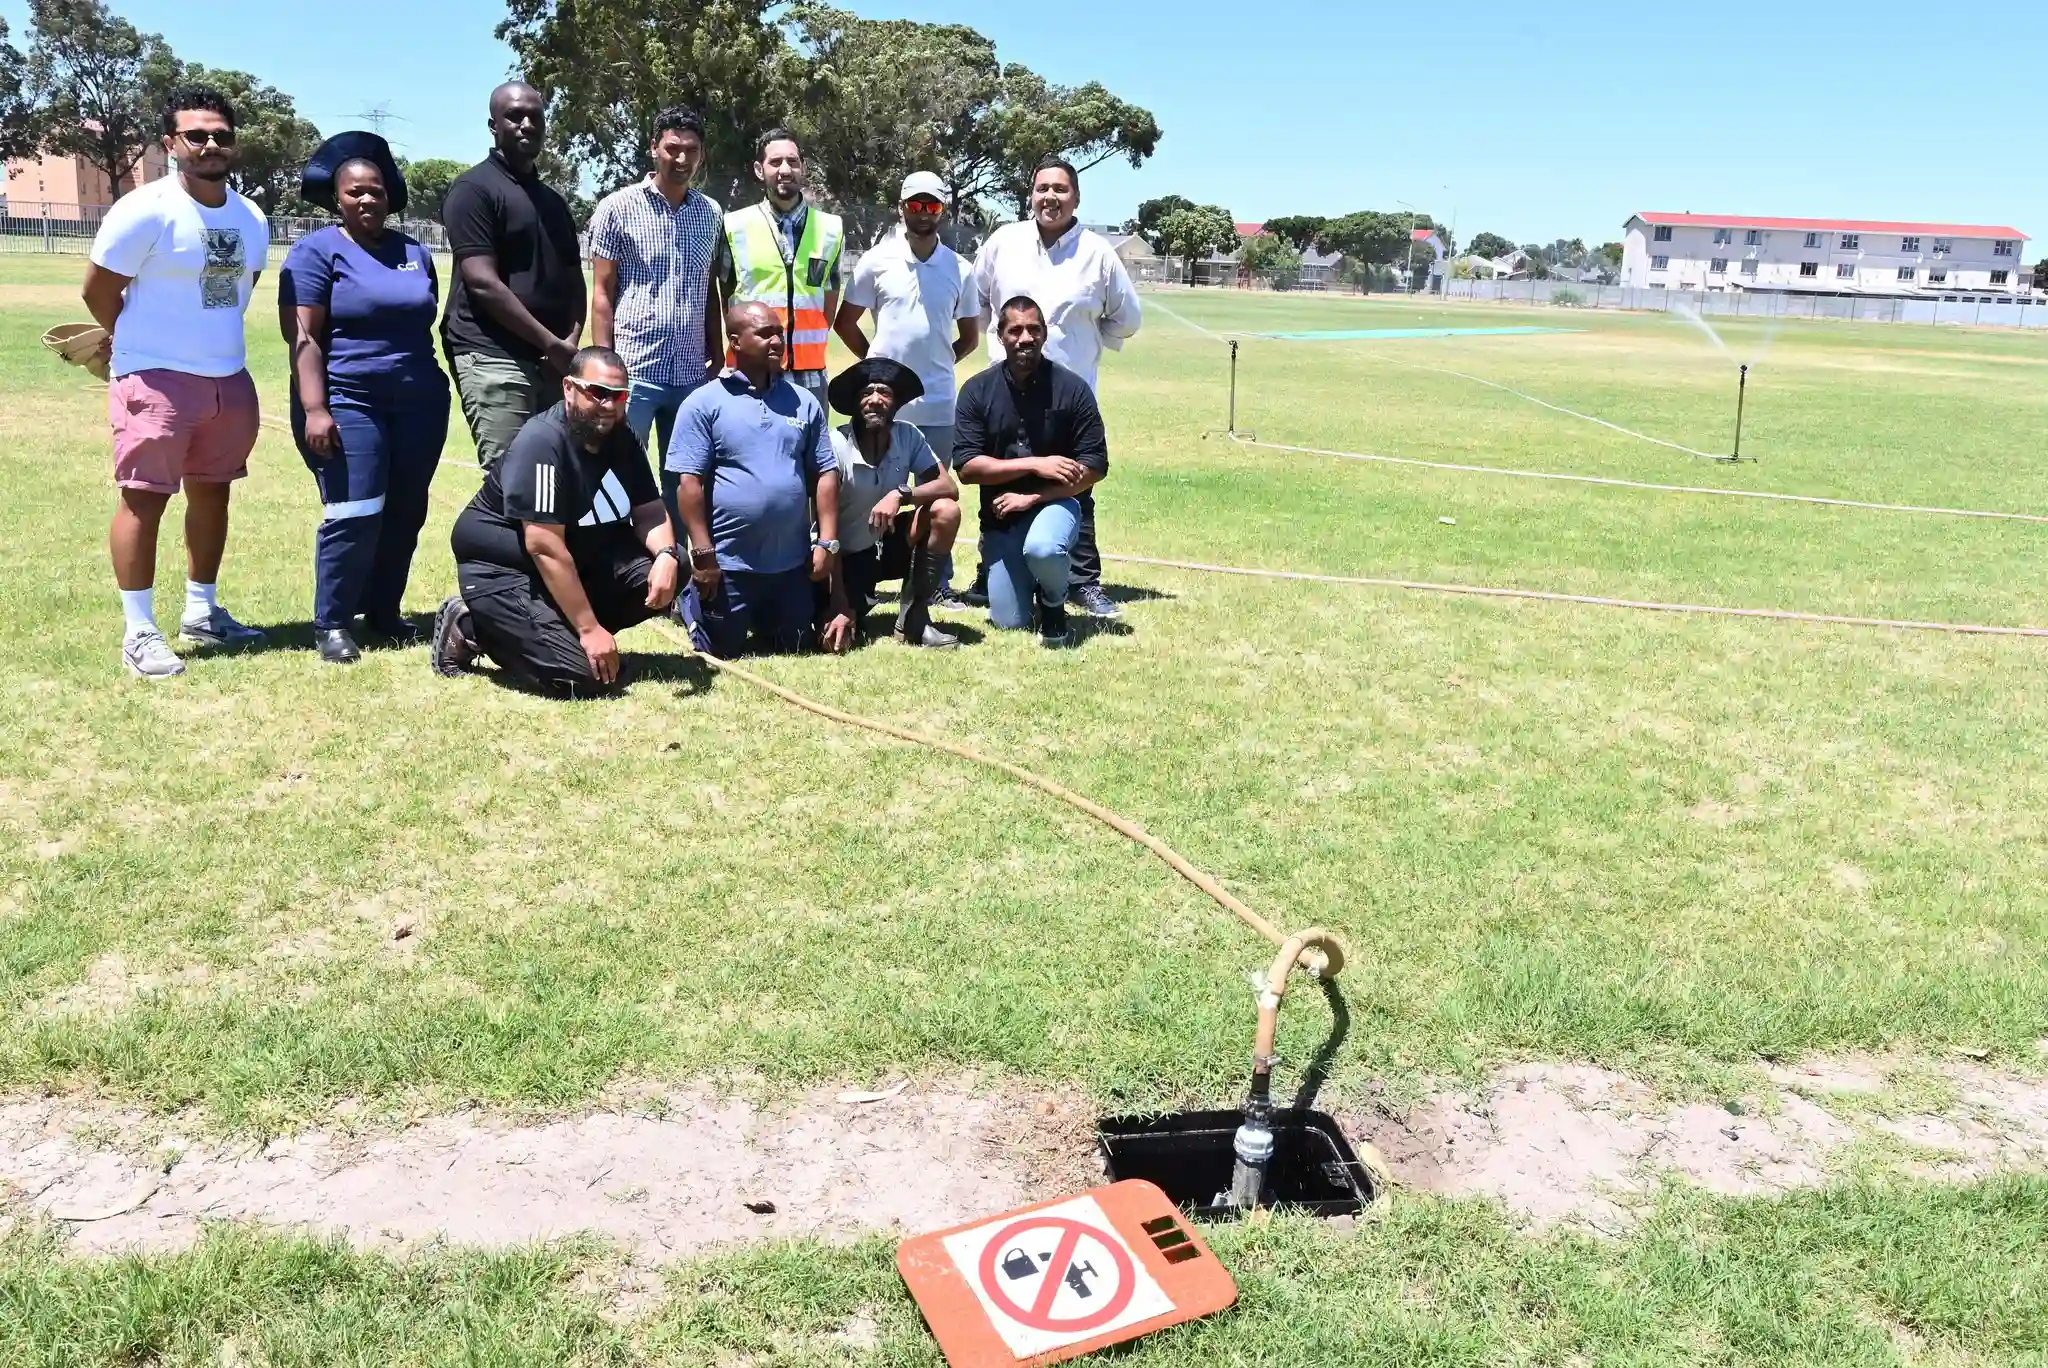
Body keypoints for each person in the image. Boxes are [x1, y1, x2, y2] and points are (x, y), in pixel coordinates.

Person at [81, 84, 270, 678]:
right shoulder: (145, 208)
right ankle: (139, 630)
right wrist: (139, 347)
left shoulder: (251, 217)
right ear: (171, 143)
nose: (210, 144)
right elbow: (98, 290)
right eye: (196, 135)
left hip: (227, 379)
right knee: (145, 500)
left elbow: (239, 294)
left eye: (221, 135)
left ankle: (202, 611)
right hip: (156, 380)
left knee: (214, 493)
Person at [279, 133, 450, 664]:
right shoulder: (315, 253)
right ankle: (332, 621)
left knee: (406, 509)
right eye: (355, 192)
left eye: (375, 190)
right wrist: (315, 408)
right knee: (355, 508)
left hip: (419, 401)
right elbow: (303, 338)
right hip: (349, 399)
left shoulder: (413, 253)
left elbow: (425, 318)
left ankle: (383, 610)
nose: (367, 200)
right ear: (337, 199)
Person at [433, 348, 678, 696]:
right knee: (582, 679)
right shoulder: (543, 441)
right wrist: (590, 629)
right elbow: (543, 545)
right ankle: (473, 627)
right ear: (568, 387)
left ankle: (559, 628)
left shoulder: (622, 437)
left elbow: (649, 510)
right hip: (504, 567)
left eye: (619, 395)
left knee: (674, 564)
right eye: (598, 392)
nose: (609, 405)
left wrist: (667, 554)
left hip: (573, 556)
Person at [970, 157, 1141, 620]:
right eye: (1042, 188)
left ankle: (1083, 581)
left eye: (1061, 189)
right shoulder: (1004, 242)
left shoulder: (1098, 253)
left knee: (1073, 482)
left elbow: (1127, 319)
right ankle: (990, 573)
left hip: (1068, 391)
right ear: (1030, 194)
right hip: (1006, 388)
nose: (1051, 197)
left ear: (1077, 198)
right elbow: (979, 301)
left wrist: (1082, 344)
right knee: (1001, 478)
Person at [831, 171, 980, 608]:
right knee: (872, 493)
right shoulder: (876, 261)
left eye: (931, 206)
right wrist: (876, 366)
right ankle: (867, 577)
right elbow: (845, 323)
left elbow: (969, 337)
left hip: (935, 404)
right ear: (901, 208)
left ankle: (936, 583)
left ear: (943, 211)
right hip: (883, 406)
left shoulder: (961, 269)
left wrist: (935, 365)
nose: (923, 214)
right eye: (915, 205)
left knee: (934, 494)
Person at [668, 302, 841, 658]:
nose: (777, 340)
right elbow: (689, 484)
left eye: (778, 332)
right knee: (721, 650)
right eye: (765, 333)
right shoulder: (703, 403)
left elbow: (825, 472)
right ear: (735, 341)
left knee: (794, 645)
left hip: (790, 564)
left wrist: (826, 543)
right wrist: (703, 555)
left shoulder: (804, 402)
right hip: (729, 565)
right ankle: (692, 601)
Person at [440, 81, 585, 467]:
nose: (525, 124)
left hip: (552, 363)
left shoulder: (553, 202)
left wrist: (566, 344)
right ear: (493, 126)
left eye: (534, 116)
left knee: (552, 479)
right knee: (511, 480)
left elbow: (575, 280)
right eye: (514, 116)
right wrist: (551, 344)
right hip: (493, 356)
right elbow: (483, 283)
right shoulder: (473, 190)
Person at [953, 297, 1108, 649]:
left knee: (1043, 549)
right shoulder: (977, 391)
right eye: (1015, 330)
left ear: (1045, 334)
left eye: (1034, 329)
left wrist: (1033, 497)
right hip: (1002, 518)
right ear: (1000, 336)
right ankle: (1032, 583)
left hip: (1056, 505)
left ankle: (1054, 603)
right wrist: (1035, 464)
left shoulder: (1072, 388)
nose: (1026, 337)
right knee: (1010, 621)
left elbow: (1095, 466)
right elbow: (966, 467)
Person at [588, 106, 723, 472]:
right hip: (635, 371)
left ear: (701, 155)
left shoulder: (711, 214)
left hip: (691, 372)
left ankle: (676, 534)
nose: (681, 158)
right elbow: (601, 292)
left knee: (686, 478)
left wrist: (718, 353)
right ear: (654, 148)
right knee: (620, 472)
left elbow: (708, 290)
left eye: (691, 150)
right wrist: (605, 366)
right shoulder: (617, 208)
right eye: (672, 148)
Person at [816, 357, 963, 654]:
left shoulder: (908, 435)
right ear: (855, 404)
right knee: (835, 638)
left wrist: (901, 494)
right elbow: (822, 532)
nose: (875, 400)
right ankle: (847, 602)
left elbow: (948, 487)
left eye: (884, 393)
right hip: (843, 558)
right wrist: (839, 602)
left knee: (946, 510)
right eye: (866, 393)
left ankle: (915, 617)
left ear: (896, 404)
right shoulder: (835, 445)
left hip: (887, 546)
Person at [721, 129, 843, 405]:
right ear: (759, 169)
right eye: (775, 162)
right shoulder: (734, 226)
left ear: (803, 168)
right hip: (750, 372)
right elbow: (726, 301)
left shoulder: (831, 229)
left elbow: (829, 302)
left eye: (793, 161)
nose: (785, 170)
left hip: (810, 376)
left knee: (809, 449)